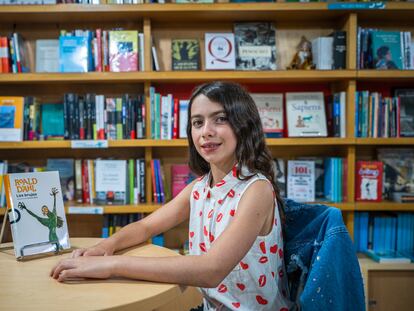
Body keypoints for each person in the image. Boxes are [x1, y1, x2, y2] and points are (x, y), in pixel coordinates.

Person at [51, 82, 291, 310]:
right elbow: (145, 227)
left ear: (244, 125)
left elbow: (211, 269)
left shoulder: (257, 189)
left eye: (220, 119)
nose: (206, 132)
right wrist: (105, 247)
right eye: (197, 122)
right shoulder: (199, 188)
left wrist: (110, 265)